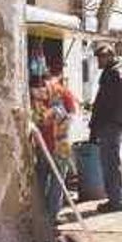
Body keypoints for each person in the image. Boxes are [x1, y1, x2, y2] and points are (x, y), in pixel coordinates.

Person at [31, 60, 77, 226]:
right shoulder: (62, 91)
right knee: (58, 181)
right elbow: (72, 112)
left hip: (42, 143)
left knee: (41, 179)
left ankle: (40, 214)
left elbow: (36, 119)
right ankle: (52, 215)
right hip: (60, 143)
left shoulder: (35, 93)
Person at [89, 43, 122, 213]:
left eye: (101, 57)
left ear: (110, 56)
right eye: (98, 57)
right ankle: (116, 198)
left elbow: (103, 104)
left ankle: (116, 201)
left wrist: (95, 126)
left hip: (110, 125)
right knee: (113, 162)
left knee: (110, 163)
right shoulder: (119, 71)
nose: (99, 61)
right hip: (115, 124)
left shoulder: (113, 74)